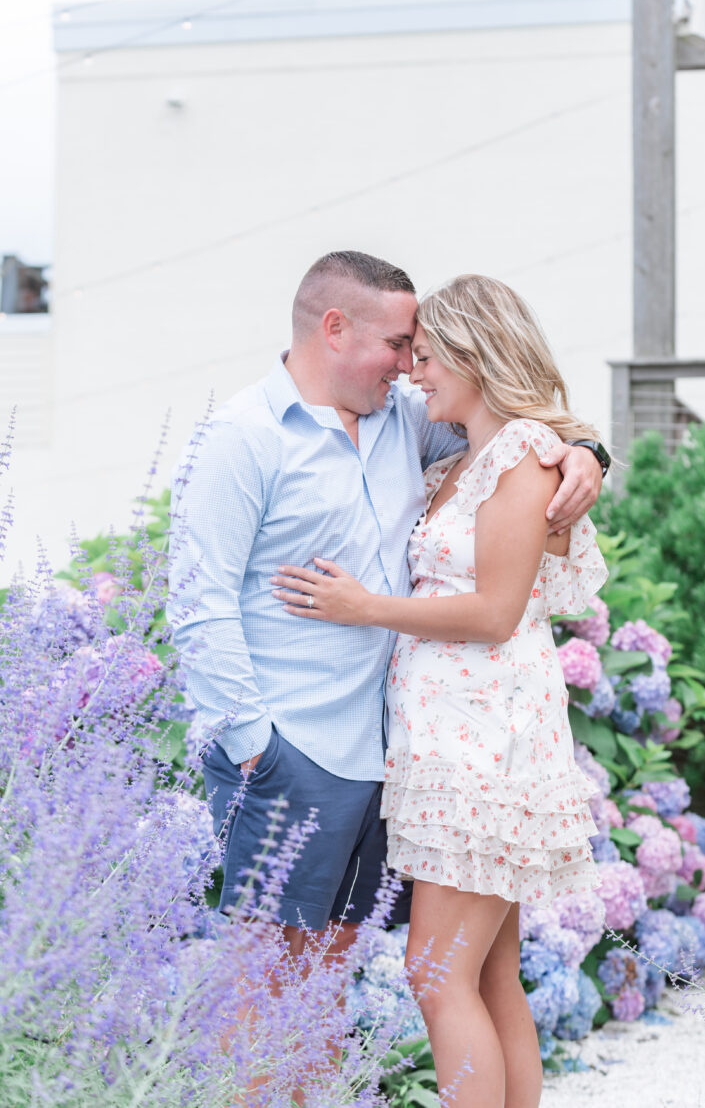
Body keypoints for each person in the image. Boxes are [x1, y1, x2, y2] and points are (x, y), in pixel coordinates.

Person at [167, 252, 604, 1099]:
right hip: (291, 755)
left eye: (420, 350)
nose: (410, 366)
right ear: (336, 329)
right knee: (266, 982)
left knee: (333, 978)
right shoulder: (244, 438)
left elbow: (521, 435)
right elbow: (201, 602)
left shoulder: (410, 424)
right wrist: (254, 744)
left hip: (399, 758)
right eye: (399, 345)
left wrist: (588, 451)